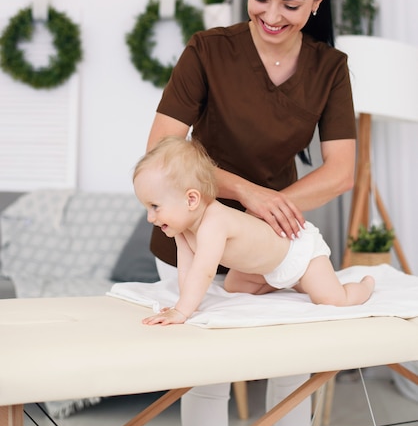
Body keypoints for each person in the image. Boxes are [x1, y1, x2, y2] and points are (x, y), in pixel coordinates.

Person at [145, 0, 357, 426]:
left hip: (271, 247)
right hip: (191, 234)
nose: (270, 15)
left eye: (291, 3)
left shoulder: (329, 69)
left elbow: (340, 172)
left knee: (287, 367)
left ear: (319, 0)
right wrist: (250, 194)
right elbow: (164, 146)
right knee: (208, 377)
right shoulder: (208, 51)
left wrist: (271, 212)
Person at [133, 136, 373, 325]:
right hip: (264, 269)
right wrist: (183, 305)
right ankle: (288, 282)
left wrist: (182, 312)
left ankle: (363, 288)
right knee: (233, 288)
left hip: (297, 252)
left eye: (155, 206)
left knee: (332, 300)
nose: (150, 217)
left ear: (191, 199)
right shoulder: (183, 230)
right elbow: (186, 271)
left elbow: (203, 271)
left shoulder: (214, 221)